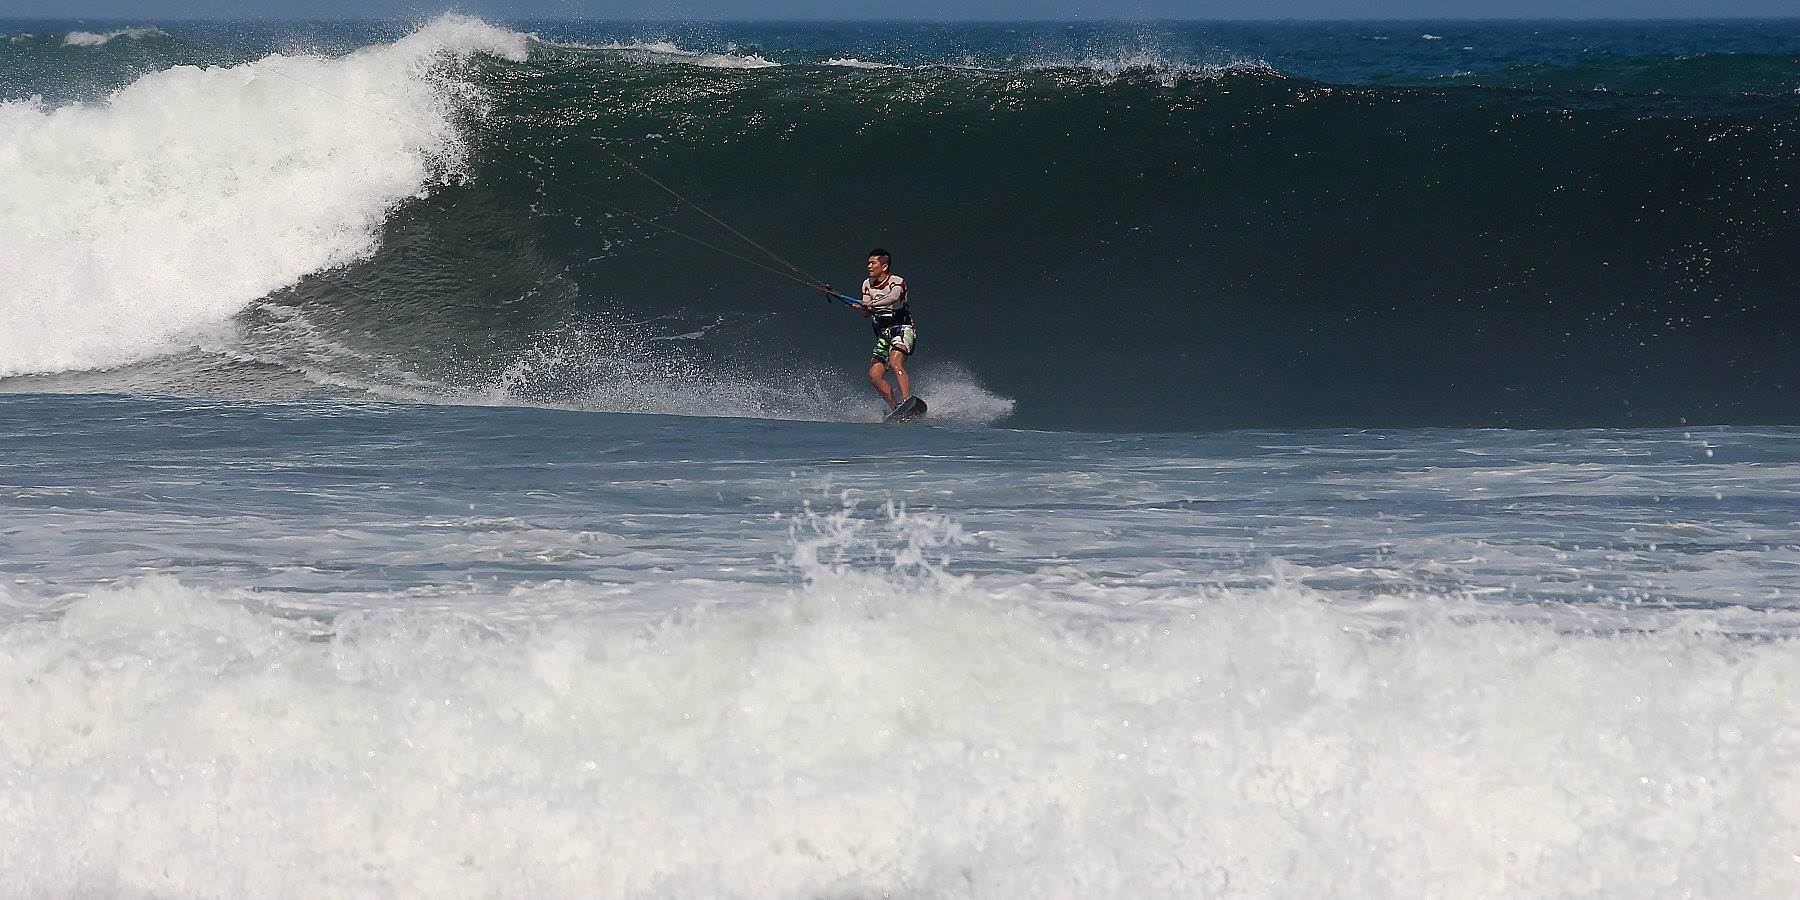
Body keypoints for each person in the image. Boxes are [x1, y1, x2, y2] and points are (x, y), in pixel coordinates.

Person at [858, 248, 914, 409]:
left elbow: (893, 297)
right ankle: (895, 407)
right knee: (874, 375)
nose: (869, 266)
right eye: (868, 262)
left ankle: (906, 400)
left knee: (895, 361)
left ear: (884, 266)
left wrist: (872, 304)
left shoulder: (897, 281)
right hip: (883, 334)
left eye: (873, 263)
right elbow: (866, 312)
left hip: (902, 328)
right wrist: (863, 307)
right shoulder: (867, 284)